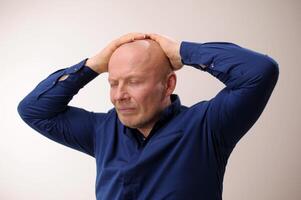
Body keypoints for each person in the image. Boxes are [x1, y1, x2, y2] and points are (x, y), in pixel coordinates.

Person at [17, 32, 279, 200]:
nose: (119, 95)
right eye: (113, 83)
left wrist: (181, 52)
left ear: (168, 85)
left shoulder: (207, 126)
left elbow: (260, 71)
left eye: (133, 82)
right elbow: (33, 110)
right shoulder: (101, 131)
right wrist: (94, 65)